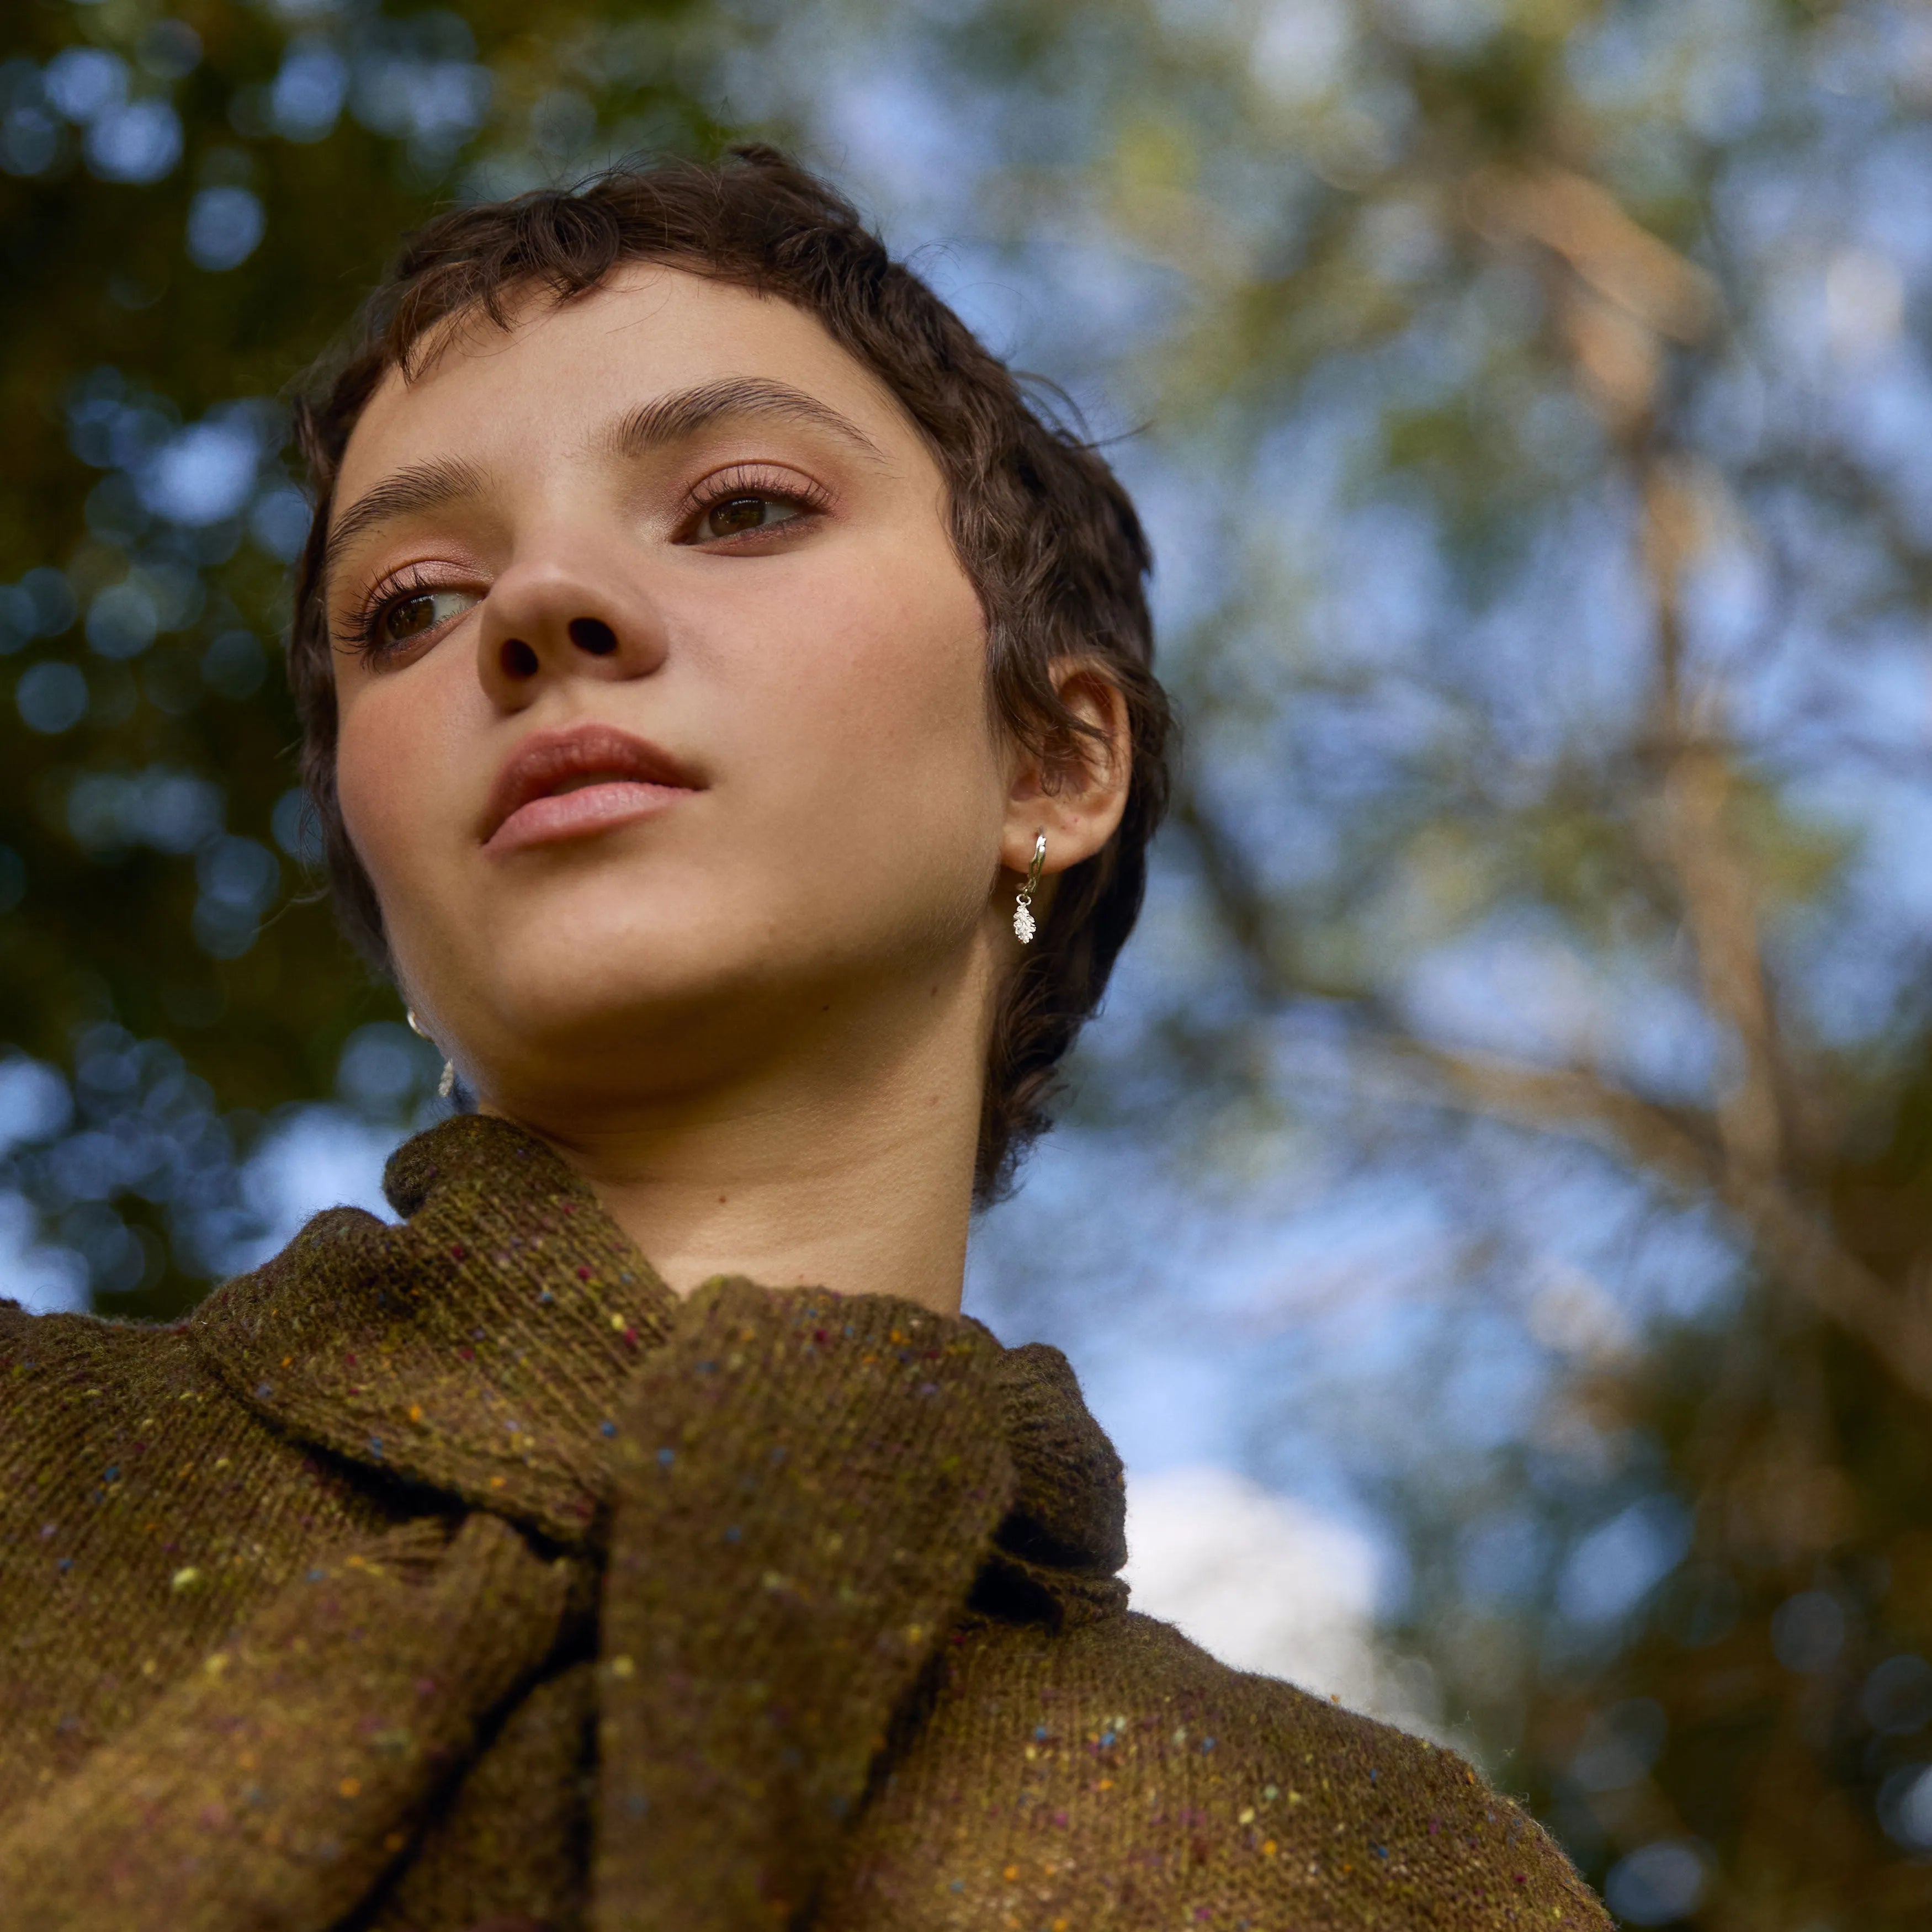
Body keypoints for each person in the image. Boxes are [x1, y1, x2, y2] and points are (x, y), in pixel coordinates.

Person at [0, 147, 1610, 1931]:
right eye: (415, 606)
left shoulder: (1375, 1877)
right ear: (385, 901)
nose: (536, 607)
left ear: (1055, 762)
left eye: (740, 507)